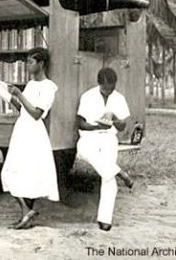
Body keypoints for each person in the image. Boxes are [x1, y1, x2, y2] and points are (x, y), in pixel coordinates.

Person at [1, 47, 60, 229]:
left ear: (41, 64)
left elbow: (36, 113)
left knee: (29, 172)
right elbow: (24, 109)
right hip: (22, 129)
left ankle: (26, 213)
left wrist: (19, 95)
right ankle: (26, 213)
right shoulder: (31, 84)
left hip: (34, 132)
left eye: (30, 62)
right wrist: (9, 96)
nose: (27, 65)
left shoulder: (49, 87)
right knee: (13, 172)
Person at [76, 67, 134, 231]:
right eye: (105, 89)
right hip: (89, 136)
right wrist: (94, 126)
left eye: (111, 89)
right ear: (99, 84)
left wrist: (114, 118)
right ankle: (119, 172)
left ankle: (105, 220)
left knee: (108, 178)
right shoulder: (88, 96)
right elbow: (79, 123)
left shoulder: (119, 98)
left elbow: (122, 127)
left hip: (109, 137)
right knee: (83, 151)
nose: (108, 92)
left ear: (115, 84)